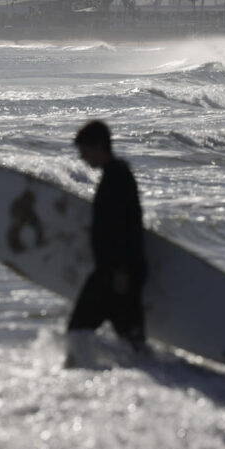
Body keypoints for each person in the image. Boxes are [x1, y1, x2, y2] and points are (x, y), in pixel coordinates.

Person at [67, 120, 147, 358]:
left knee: (78, 331)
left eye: (85, 151)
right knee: (131, 340)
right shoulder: (114, 175)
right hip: (115, 272)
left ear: (100, 146)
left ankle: (81, 376)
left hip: (117, 274)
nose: (82, 158)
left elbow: (125, 227)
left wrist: (122, 270)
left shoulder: (117, 178)